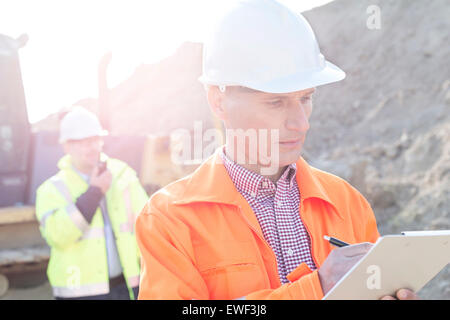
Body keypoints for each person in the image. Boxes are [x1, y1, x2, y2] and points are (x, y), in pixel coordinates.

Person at [135, 0, 418, 300]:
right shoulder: (169, 220)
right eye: (276, 102)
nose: (301, 123)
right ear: (218, 101)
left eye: (306, 98)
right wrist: (315, 288)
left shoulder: (347, 203)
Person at [35, 107, 148, 300]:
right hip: (79, 293)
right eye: (83, 142)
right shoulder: (52, 189)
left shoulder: (123, 175)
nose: (92, 147)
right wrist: (93, 193)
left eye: (95, 139)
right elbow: (58, 236)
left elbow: (147, 225)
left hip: (127, 287)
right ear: (66, 147)